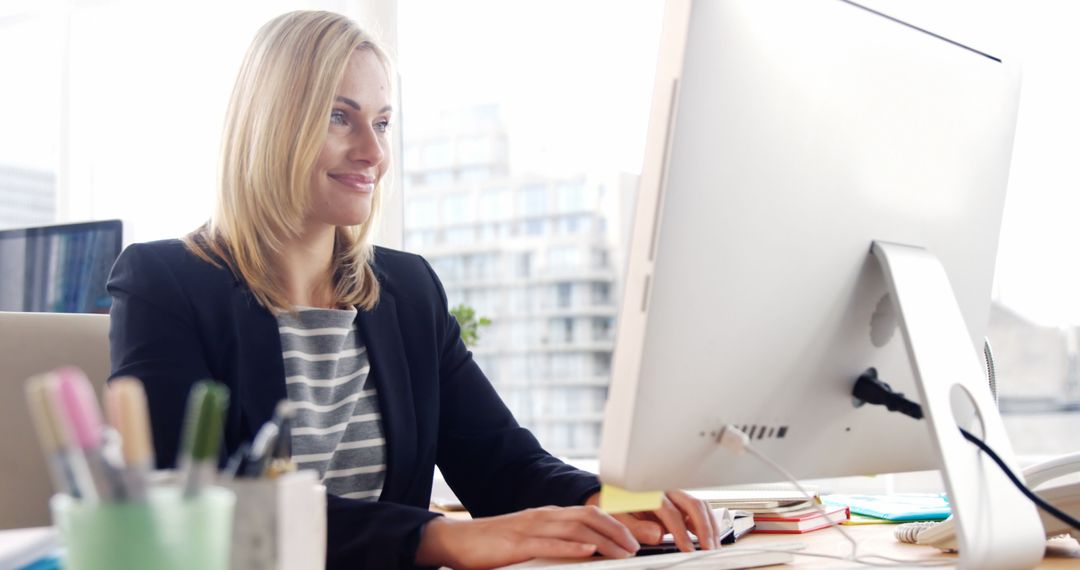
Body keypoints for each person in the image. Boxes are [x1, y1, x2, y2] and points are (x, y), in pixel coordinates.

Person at [106, 10, 719, 569]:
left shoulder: (406, 289)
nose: (373, 151)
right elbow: (187, 506)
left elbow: (499, 461)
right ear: (271, 124)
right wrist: (436, 537)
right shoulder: (164, 283)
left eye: (383, 122)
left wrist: (608, 501)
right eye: (339, 117)